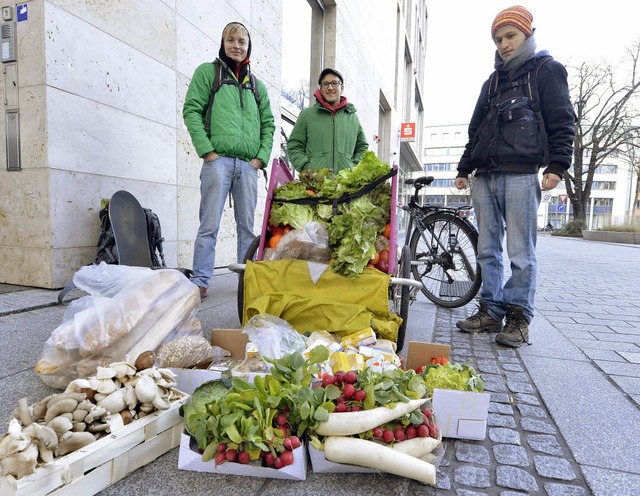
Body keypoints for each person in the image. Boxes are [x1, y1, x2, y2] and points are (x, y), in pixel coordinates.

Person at [454, 6, 575, 347]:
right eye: (498, 39)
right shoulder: (491, 82)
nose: (504, 44)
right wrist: (465, 167)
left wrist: (557, 165)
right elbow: (475, 129)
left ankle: (519, 317)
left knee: (521, 253)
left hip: (521, 175)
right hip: (486, 176)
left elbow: (562, 119)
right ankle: (491, 311)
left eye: (510, 36)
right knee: (487, 250)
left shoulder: (546, 71)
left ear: (527, 33)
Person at [183, 22, 275, 300]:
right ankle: (200, 280)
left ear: (249, 47)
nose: (236, 45)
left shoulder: (257, 85)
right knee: (209, 224)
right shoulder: (207, 73)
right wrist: (207, 151)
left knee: (247, 227)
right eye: (231, 40)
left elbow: (269, 123)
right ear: (222, 43)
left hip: (248, 166)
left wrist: (260, 158)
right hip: (218, 161)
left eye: (242, 41)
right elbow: (191, 110)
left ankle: (247, 282)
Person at [287, 68, 368, 173]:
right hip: (315, 183)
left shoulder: (353, 118)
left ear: (342, 88)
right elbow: (294, 145)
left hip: (346, 184)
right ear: (320, 89)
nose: (330, 87)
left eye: (334, 83)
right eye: (325, 84)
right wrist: (306, 167)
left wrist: (354, 167)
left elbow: (362, 147)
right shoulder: (307, 115)